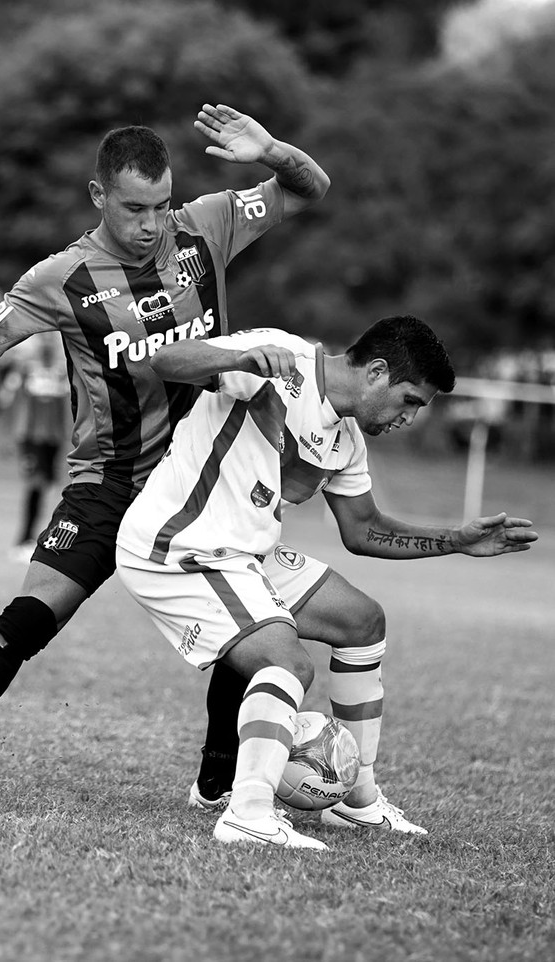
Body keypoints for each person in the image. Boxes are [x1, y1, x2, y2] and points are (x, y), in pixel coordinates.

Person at [0, 103, 330, 807]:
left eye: (161, 206)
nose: (151, 225)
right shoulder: (64, 277)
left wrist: (271, 150)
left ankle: (216, 780)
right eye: (134, 208)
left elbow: (308, 188)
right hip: (110, 482)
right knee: (28, 618)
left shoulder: (203, 227)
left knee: (254, 631)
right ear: (98, 197)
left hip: (205, 485)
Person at [115, 317, 537, 849]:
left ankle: (356, 804)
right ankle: (247, 814)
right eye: (409, 400)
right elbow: (165, 361)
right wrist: (240, 359)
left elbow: (364, 531)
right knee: (285, 663)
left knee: (363, 622)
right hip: (180, 545)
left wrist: (456, 539)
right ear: (377, 372)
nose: (408, 417)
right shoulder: (282, 357)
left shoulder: (346, 440)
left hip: (244, 554)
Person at [0, 334, 70, 562]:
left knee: (47, 486)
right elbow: (4, 398)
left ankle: (35, 540)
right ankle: (24, 540)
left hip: (53, 439)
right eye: (44, 339)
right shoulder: (26, 369)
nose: (48, 343)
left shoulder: (62, 371)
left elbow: (70, 405)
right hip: (30, 437)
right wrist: (10, 435)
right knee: (35, 484)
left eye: (52, 339)